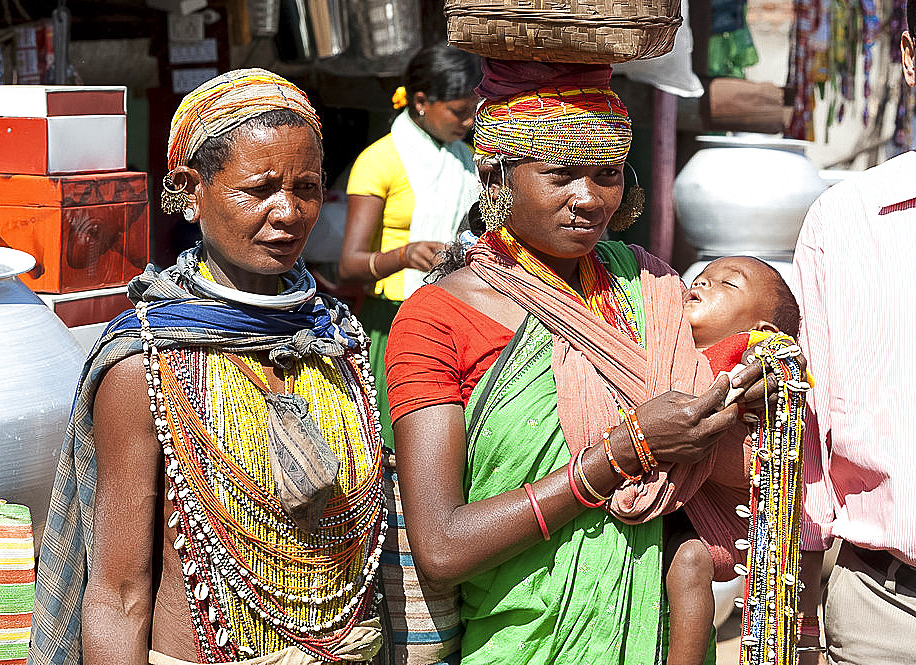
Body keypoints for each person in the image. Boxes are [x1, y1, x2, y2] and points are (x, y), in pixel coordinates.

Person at [384, 60, 777, 665]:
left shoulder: (648, 282)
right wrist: (618, 459)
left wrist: (751, 394)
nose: (589, 199)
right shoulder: (436, 319)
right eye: (562, 174)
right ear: (497, 173)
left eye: (608, 174)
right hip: (518, 644)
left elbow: (717, 463)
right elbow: (441, 545)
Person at [29, 70, 386, 665]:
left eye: (306, 187)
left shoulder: (335, 340)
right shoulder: (147, 365)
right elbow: (117, 595)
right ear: (191, 192)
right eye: (261, 188)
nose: (289, 212)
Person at [794, 6, 916, 663]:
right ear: (910, 56)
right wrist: (802, 627)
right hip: (885, 613)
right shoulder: (843, 223)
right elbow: (808, 436)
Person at [338, 43, 481, 447]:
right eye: (458, 111)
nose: (469, 122)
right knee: (394, 451)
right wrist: (404, 256)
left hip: (454, 319)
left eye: (474, 110)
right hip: (392, 324)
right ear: (421, 102)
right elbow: (348, 266)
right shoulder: (380, 160)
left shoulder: (467, 162)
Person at [661, 255, 802, 665]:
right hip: (680, 505)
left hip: (726, 525)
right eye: (702, 277)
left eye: (728, 284)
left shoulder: (750, 360)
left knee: (689, 560)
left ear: (763, 331)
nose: (703, 283)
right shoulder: (669, 343)